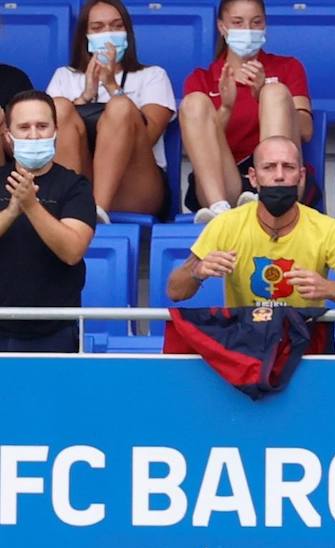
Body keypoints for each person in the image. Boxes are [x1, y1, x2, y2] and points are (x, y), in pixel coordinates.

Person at [165, 135, 335, 312]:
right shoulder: (226, 225)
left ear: (301, 175)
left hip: (302, 342)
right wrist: (198, 271)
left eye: (288, 167)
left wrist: (330, 289)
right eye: (269, 167)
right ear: (253, 177)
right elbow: (175, 291)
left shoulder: (326, 229)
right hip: (245, 344)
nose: (279, 176)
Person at [180, 0, 313, 224]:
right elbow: (199, 145)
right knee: (193, 103)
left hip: (280, 181)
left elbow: (306, 130)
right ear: (222, 27)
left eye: (256, 22)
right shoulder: (201, 79)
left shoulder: (288, 67)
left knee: (275, 92)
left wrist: (262, 93)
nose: (248, 30)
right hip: (225, 184)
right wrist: (226, 108)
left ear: (265, 26)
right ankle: (219, 212)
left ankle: (268, 195)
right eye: (238, 23)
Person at [47, 0, 176, 222]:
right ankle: (72, 206)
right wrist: (86, 96)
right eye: (98, 28)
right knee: (58, 106)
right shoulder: (64, 76)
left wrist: (112, 88)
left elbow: (149, 137)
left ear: (128, 33)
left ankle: (96, 212)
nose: (108, 34)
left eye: (116, 26)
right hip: (82, 181)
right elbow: (46, 136)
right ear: (85, 35)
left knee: (120, 106)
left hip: (136, 186)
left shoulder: (153, 75)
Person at [0, 90, 95, 353]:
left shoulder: (75, 186)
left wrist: (31, 205)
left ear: (56, 131)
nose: (33, 135)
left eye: (42, 126)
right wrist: (11, 212)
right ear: (8, 134)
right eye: (24, 127)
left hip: (55, 330)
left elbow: (72, 251)